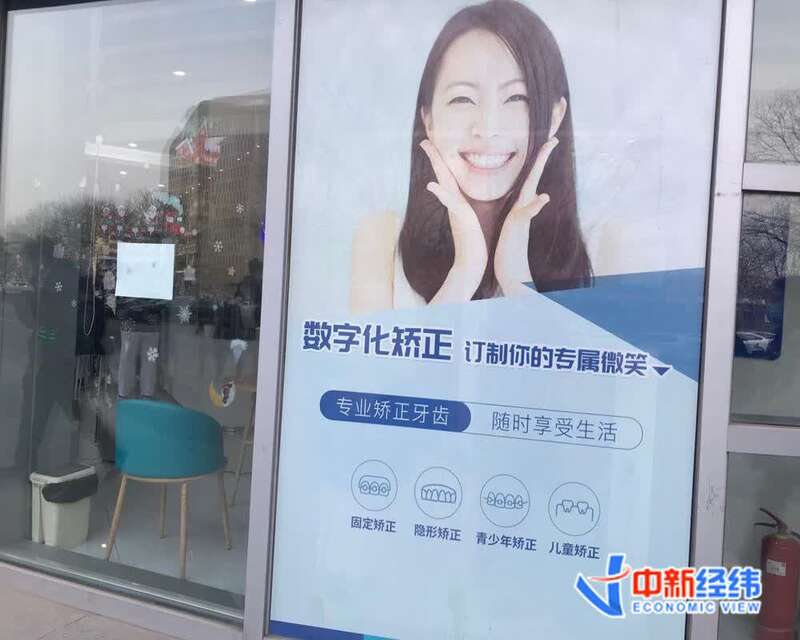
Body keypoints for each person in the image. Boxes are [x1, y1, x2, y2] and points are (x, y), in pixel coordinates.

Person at [351, 0, 591, 312]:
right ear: (428, 120)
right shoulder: (381, 240)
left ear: (555, 116)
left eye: (516, 97)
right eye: (463, 99)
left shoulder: (606, 247)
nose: (487, 129)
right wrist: (464, 272)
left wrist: (516, 281)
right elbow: (381, 350)